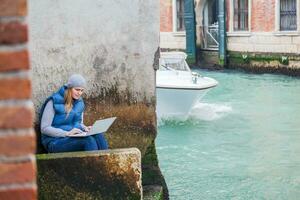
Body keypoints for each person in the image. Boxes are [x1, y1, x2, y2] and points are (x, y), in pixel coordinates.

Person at [40, 74, 109, 153]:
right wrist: (66, 133)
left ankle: (105, 162)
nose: (79, 93)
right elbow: (44, 128)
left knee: (98, 134)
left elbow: (78, 123)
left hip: (72, 137)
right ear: (70, 88)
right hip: (54, 141)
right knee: (88, 141)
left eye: (82, 90)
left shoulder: (80, 103)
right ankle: (94, 164)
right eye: (77, 89)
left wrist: (85, 128)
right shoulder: (53, 101)